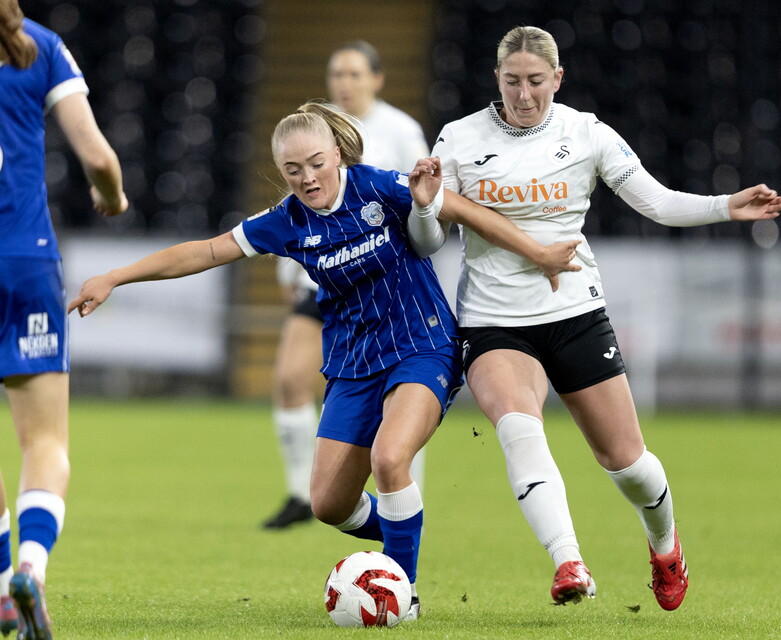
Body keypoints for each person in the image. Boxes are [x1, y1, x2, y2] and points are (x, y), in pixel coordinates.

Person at [68, 101, 578, 621]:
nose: (307, 178)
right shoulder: (284, 221)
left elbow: (464, 212)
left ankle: (404, 592)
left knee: (390, 458)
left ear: (337, 154)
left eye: (315, 163)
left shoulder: (378, 186)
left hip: (422, 346)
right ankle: (406, 521)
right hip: (353, 364)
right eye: (293, 170)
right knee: (329, 504)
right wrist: (115, 276)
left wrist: (536, 254)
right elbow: (204, 251)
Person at [428, 26, 781, 609]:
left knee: (627, 465)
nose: (524, 95)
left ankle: (665, 544)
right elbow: (427, 237)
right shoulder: (458, 138)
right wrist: (426, 206)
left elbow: (659, 202)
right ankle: (569, 562)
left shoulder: (587, 132)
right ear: (496, 79)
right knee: (518, 428)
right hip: (492, 318)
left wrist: (726, 206)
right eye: (512, 81)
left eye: (536, 82)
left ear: (558, 79)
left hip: (574, 311)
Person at [263, 40, 432, 530]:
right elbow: (291, 214)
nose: (345, 83)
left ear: (376, 80)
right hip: (324, 282)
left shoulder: (400, 130)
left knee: (397, 413)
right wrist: (286, 270)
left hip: (384, 286)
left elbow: (423, 196)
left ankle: (401, 502)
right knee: (291, 380)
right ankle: (300, 492)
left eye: (355, 74)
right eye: (338, 74)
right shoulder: (312, 133)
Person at [0, 1, 128, 637]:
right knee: (44, 442)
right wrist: (113, 195)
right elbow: (99, 157)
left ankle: (1, 588)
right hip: (26, 259)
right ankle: (30, 566)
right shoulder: (40, 46)